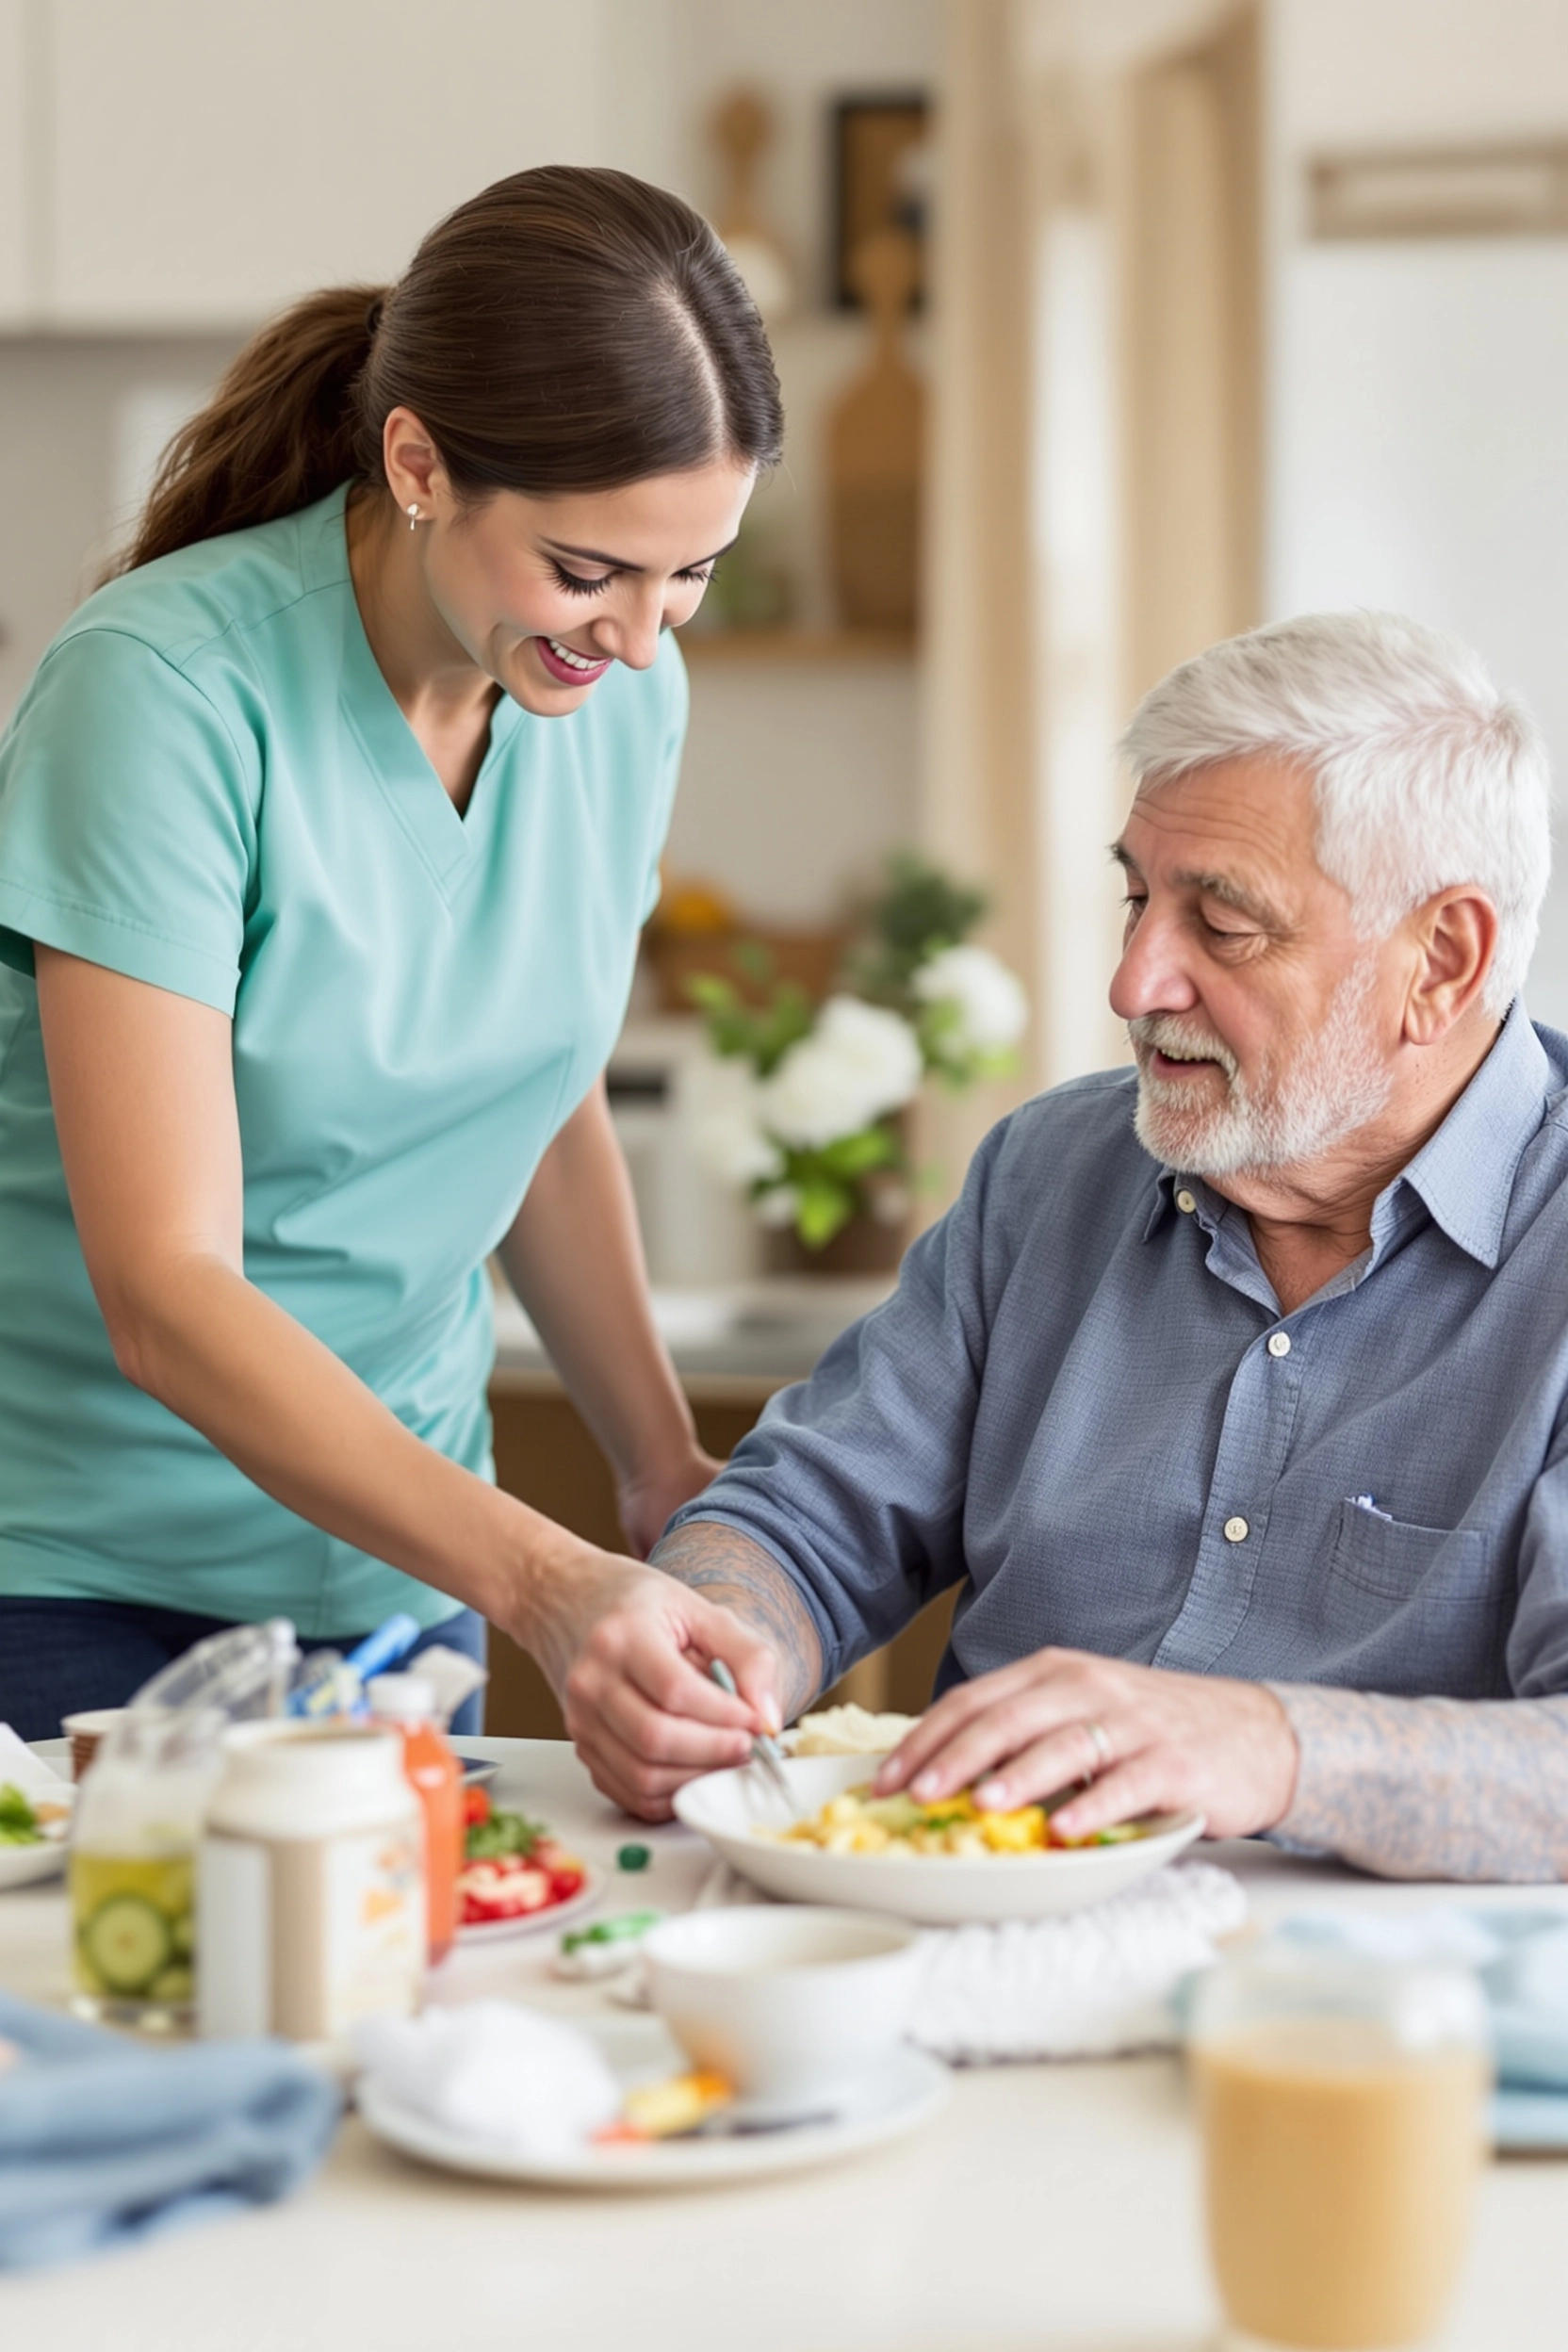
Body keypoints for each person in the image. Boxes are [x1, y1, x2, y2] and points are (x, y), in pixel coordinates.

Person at [563, 610, 1568, 1883]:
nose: (1134, 983)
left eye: (1223, 924)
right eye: (1139, 898)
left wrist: (1267, 1747)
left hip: (1356, 1982)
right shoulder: (1049, 1171)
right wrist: (703, 1644)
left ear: (1443, 961)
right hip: (972, 1929)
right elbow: (803, 1520)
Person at [0, 165, 787, 1738]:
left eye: (691, 575)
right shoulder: (163, 693)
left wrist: (655, 1467)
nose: (640, 639)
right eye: (589, 571)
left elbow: (536, 1101)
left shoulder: (612, 697)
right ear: (419, 464)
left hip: (406, 1569)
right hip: (79, 1568)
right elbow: (165, 1290)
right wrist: (545, 1579)